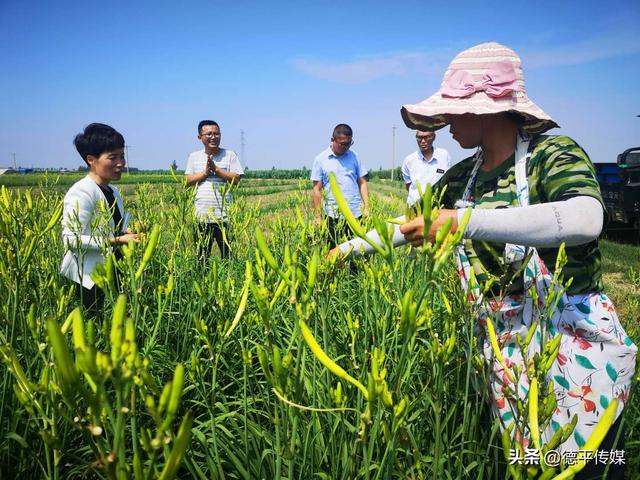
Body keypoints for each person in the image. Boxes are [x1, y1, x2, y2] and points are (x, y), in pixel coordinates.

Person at [336, 42, 636, 478]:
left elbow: (586, 218)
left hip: (572, 340)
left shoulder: (551, 155)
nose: (446, 124)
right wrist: (344, 250)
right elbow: (412, 225)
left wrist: (464, 221)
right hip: (505, 347)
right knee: (528, 465)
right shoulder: (462, 176)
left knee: (592, 467)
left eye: (455, 111)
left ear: (486, 109)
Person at [61, 123, 139, 314]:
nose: (120, 163)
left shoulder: (113, 190)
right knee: (94, 329)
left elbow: (112, 227)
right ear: (91, 160)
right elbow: (71, 240)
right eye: (112, 157)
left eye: (122, 156)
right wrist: (118, 240)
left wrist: (126, 232)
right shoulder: (81, 192)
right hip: (88, 277)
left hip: (113, 270)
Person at [185, 120, 243, 259]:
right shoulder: (194, 157)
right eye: (209, 134)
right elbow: (187, 181)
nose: (213, 137)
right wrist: (205, 173)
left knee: (228, 256)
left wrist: (216, 170)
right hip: (201, 216)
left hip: (225, 215)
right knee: (202, 257)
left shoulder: (230, 155)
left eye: (217, 133)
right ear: (200, 137)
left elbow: (236, 180)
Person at [311, 123, 369, 248]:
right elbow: (317, 189)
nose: (346, 147)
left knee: (357, 252)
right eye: (342, 144)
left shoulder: (355, 156)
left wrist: (366, 207)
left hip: (355, 213)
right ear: (332, 140)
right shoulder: (320, 159)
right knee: (333, 254)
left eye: (349, 143)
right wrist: (318, 217)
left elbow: (362, 182)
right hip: (331, 215)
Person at [401, 130, 451, 207]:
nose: (423, 141)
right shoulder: (409, 160)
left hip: (439, 206)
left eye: (427, 137)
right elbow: (408, 185)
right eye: (419, 138)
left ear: (434, 137)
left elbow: (449, 180)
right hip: (415, 207)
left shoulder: (444, 155)